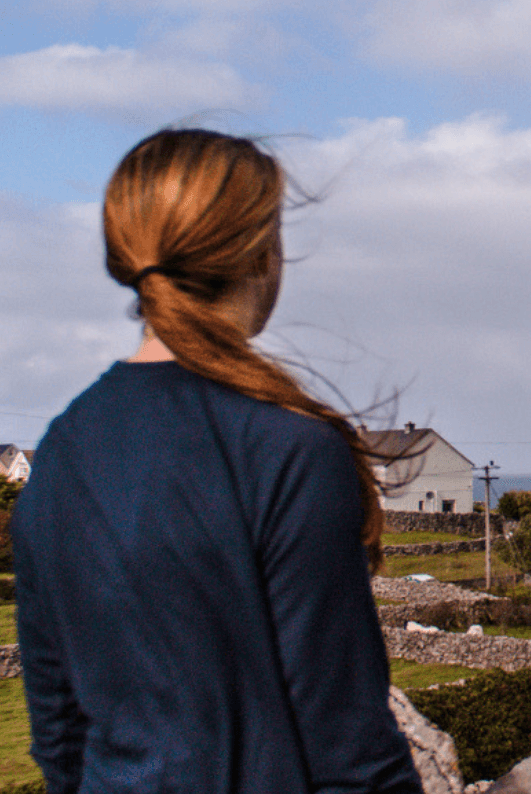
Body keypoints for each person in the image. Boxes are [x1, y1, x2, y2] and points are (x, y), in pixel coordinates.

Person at [9, 129, 424, 793]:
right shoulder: (287, 448)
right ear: (261, 256)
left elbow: (58, 733)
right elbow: (347, 749)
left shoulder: (61, 450)